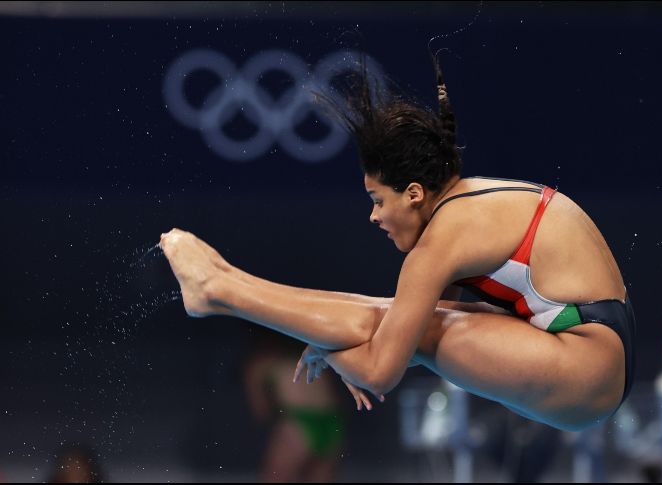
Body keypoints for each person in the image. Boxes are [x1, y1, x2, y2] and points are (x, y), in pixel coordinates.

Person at [159, 54, 636, 432]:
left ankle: (223, 289)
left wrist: (330, 347)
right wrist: (337, 341)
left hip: (586, 367)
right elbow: (402, 330)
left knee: (393, 325)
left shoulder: (445, 237)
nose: (374, 216)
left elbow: (378, 371)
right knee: (394, 317)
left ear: (413, 194)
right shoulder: (467, 206)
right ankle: (224, 282)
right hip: (589, 353)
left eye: (377, 200)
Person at [242, 331, 345, 482]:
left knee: (275, 478)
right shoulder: (311, 356)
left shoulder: (261, 363)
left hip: (300, 421)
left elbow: (261, 409)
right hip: (332, 421)